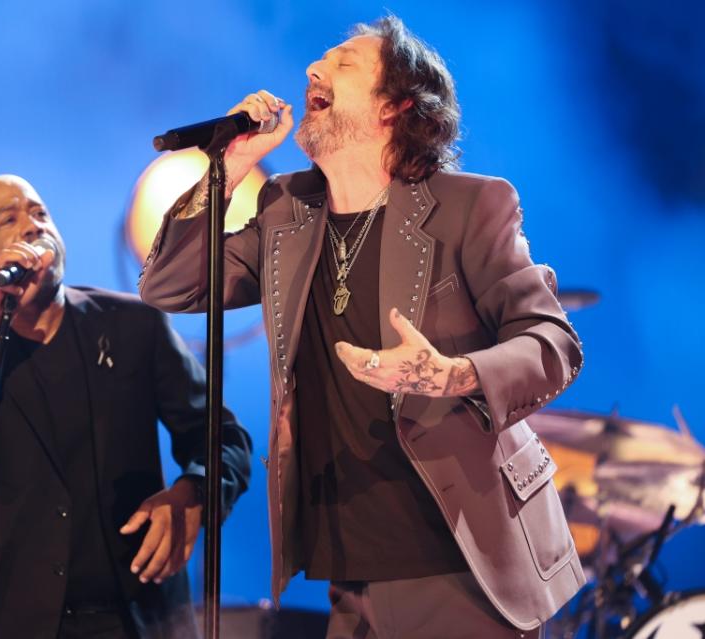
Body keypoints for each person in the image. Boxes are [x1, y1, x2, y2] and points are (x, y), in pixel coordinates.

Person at [139, 15, 585, 639]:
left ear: (395, 107)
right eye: (319, 60)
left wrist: (453, 373)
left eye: (344, 62)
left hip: (457, 566)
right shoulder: (285, 211)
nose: (313, 70)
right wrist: (230, 169)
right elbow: (170, 286)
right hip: (348, 572)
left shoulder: (471, 207)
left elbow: (553, 344)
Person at [0, 175, 252, 639]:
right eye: (10, 219)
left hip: (140, 614)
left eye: (40, 214)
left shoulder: (133, 323)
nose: (32, 227)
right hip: (23, 622)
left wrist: (193, 493)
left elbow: (223, 435)